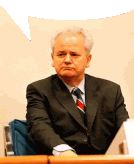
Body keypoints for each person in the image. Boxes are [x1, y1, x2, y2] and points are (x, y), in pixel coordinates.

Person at [26, 26, 129, 157]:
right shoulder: (39, 89)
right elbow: (39, 127)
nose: (67, 60)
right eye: (61, 54)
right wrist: (64, 152)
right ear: (53, 58)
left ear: (88, 59)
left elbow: (124, 131)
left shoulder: (111, 90)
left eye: (74, 54)